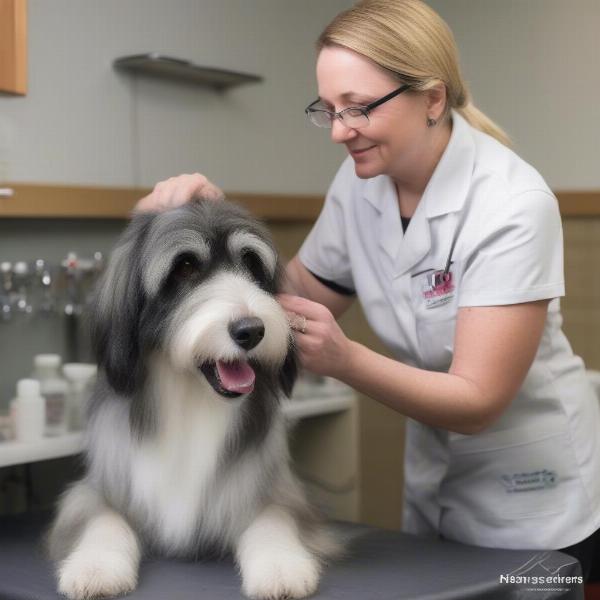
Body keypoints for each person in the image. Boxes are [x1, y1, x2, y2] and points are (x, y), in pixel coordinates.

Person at [136, 0, 600, 581]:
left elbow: (478, 401)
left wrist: (344, 360)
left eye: (357, 109)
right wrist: (217, 237)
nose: (337, 132)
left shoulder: (512, 205)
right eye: (327, 110)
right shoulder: (362, 185)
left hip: (533, 493)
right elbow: (297, 291)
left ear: (432, 98)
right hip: (436, 479)